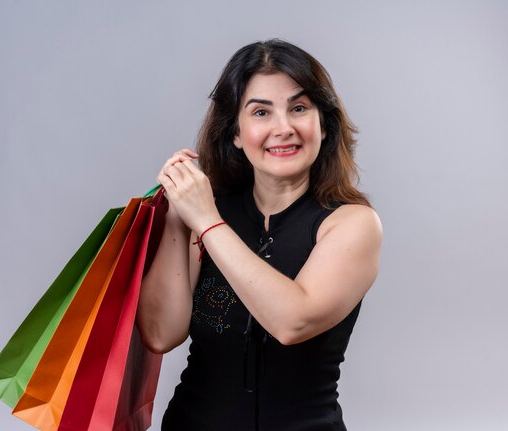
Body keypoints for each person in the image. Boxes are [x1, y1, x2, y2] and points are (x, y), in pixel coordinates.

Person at [137, 39, 382, 431]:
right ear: (235, 132)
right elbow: (160, 333)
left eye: (299, 108)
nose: (283, 128)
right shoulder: (204, 213)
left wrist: (206, 220)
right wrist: (176, 218)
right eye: (261, 112)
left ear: (324, 123)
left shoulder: (352, 224)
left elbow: (292, 322)